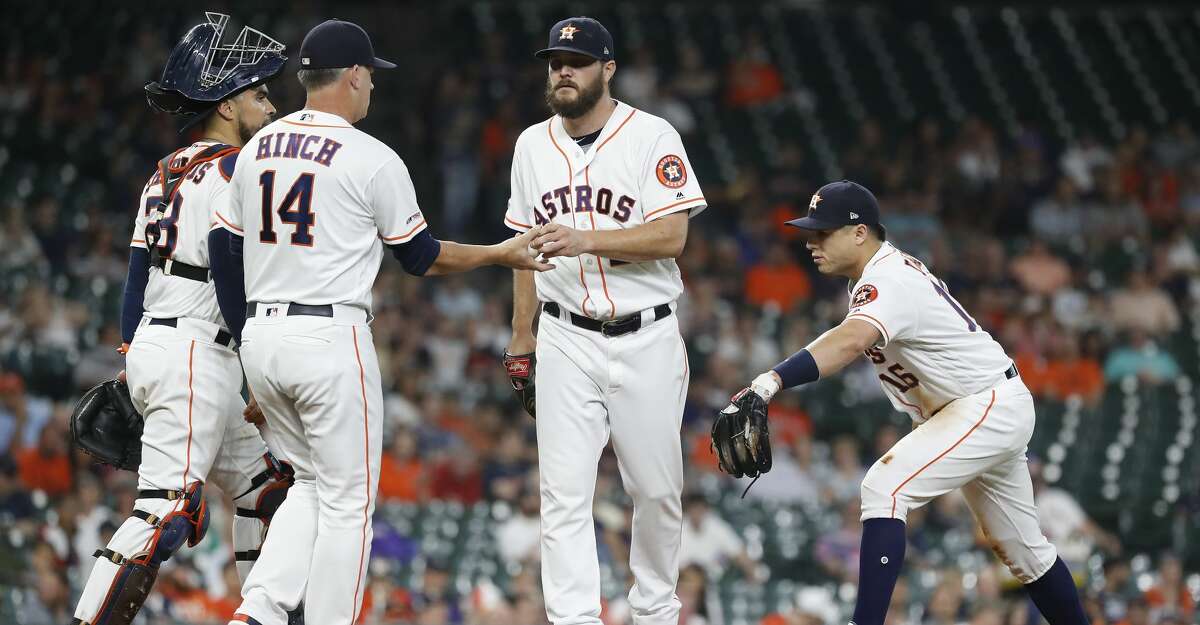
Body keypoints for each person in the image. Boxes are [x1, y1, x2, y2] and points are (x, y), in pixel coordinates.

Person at [211, 18, 552, 625]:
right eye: (371, 77)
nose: (373, 88)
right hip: (328, 337)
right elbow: (420, 257)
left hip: (261, 337)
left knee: (312, 484)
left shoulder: (256, 147)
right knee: (348, 504)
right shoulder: (370, 156)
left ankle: (257, 613)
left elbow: (224, 253)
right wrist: (501, 253)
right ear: (355, 76)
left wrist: (245, 349)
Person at [723, 180, 1090, 625]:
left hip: (982, 403)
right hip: (977, 406)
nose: (810, 241)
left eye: (823, 232)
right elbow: (844, 333)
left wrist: (772, 381)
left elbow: (852, 340)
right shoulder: (875, 277)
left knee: (884, 487)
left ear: (860, 233)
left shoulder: (888, 278)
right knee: (1026, 555)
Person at [71, 14, 296, 625]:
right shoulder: (233, 169)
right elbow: (228, 272)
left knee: (269, 491)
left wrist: (131, 360)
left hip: (167, 347)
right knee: (165, 511)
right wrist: (257, 369)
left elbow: (135, 277)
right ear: (226, 103)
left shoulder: (161, 175)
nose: (270, 106)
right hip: (200, 353)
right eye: (258, 93)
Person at [502, 16, 707, 625]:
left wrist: (585, 238)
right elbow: (522, 246)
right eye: (555, 61)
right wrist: (521, 336)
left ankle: (654, 612)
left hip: (646, 332)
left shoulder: (652, 136)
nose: (563, 71)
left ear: (607, 69)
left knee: (656, 491)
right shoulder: (531, 145)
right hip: (564, 333)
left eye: (579, 60)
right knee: (562, 495)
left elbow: (674, 235)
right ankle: (574, 619)